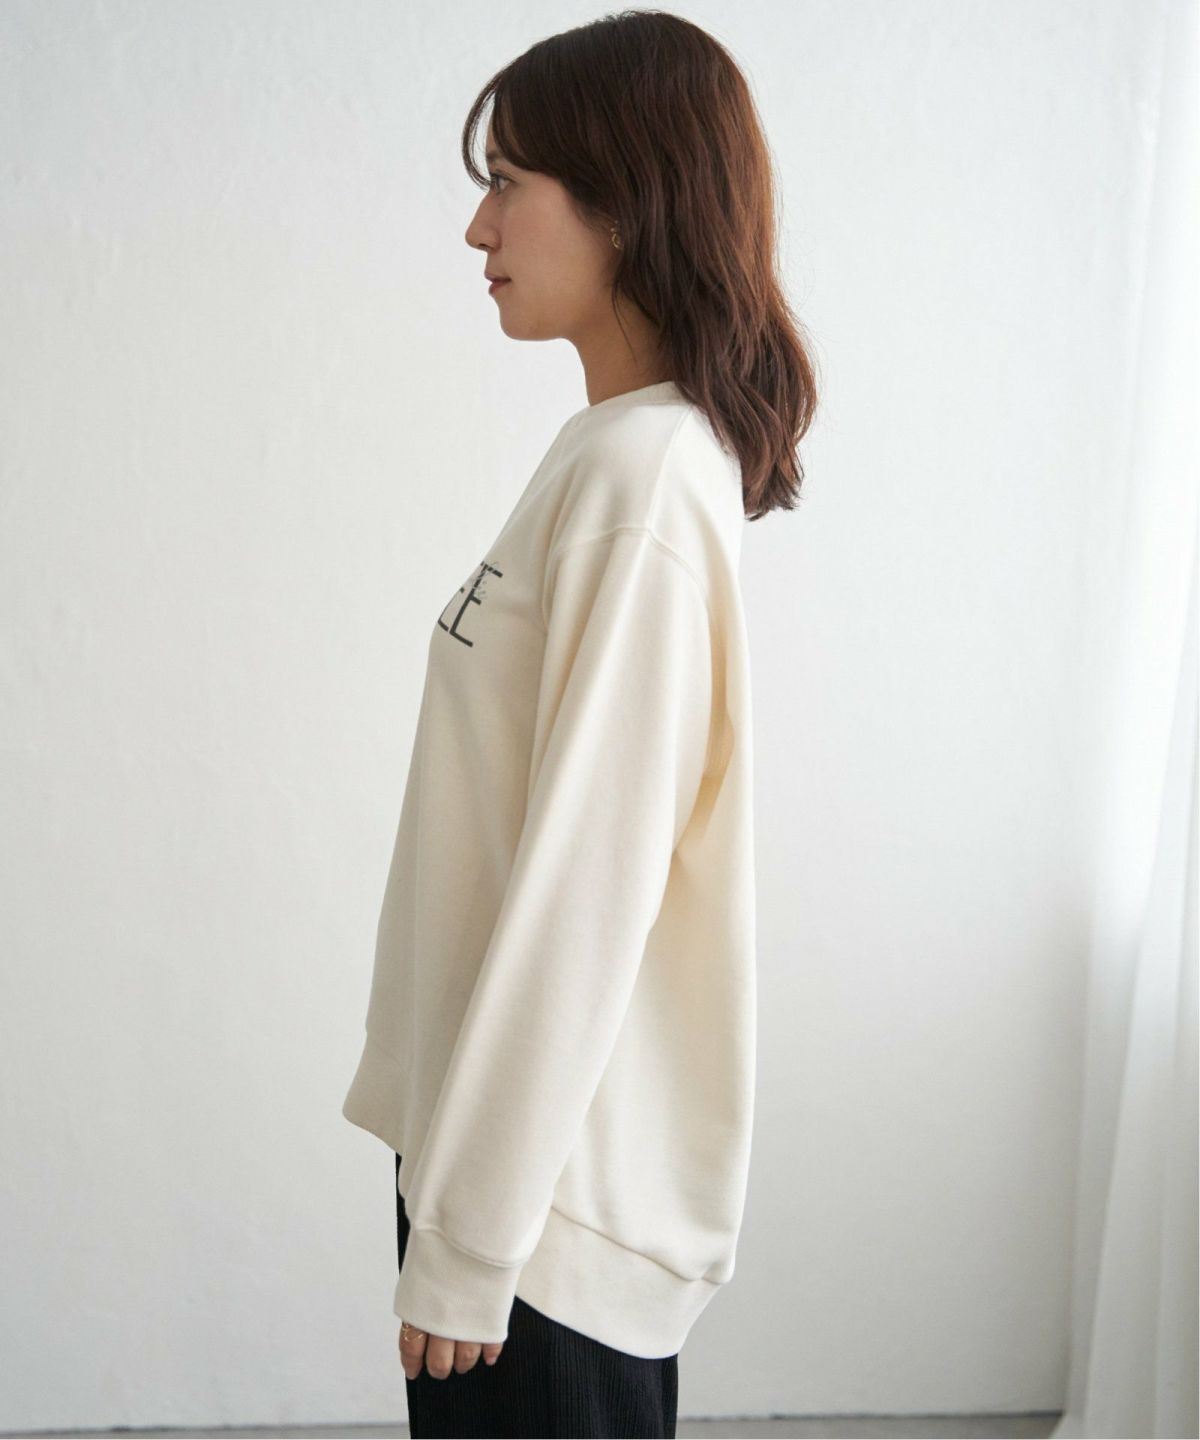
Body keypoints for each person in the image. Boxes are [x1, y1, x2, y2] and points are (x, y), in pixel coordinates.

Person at [342, 11, 820, 1437]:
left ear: (626, 201)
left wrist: (473, 1238)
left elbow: (587, 892)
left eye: (509, 183)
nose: (477, 226)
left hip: (540, 1224)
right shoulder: (615, 455)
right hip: (505, 1179)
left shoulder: (644, 481)